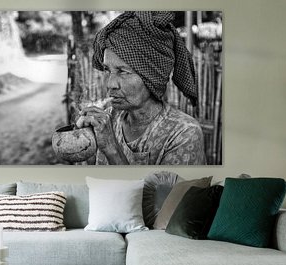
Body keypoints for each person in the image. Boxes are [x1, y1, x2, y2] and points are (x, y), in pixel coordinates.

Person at [76, 11, 206, 165]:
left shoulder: (184, 133)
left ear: (152, 77)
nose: (110, 84)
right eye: (108, 70)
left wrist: (111, 147)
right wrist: (83, 144)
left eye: (123, 71)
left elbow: (165, 190)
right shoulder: (108, 119)